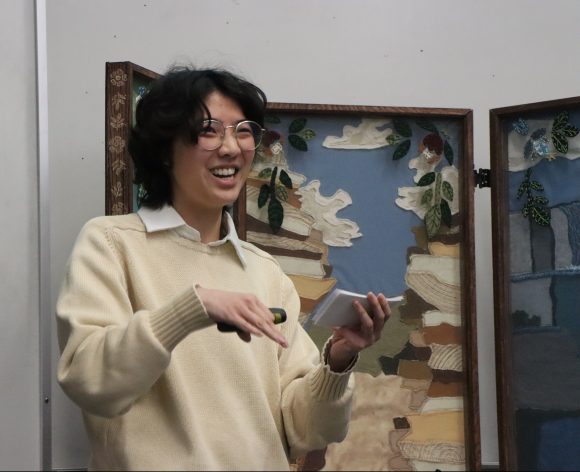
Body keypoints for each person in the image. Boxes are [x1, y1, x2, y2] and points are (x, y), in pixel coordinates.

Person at [56, 65, 391, 471]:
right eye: (209, 130)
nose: (231, 147)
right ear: (164, 149)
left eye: (243, 130)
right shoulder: (112, 243)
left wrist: (339, 360)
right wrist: (192, 309)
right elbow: (90, 380)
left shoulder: (264, 271)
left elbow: (305, 429)